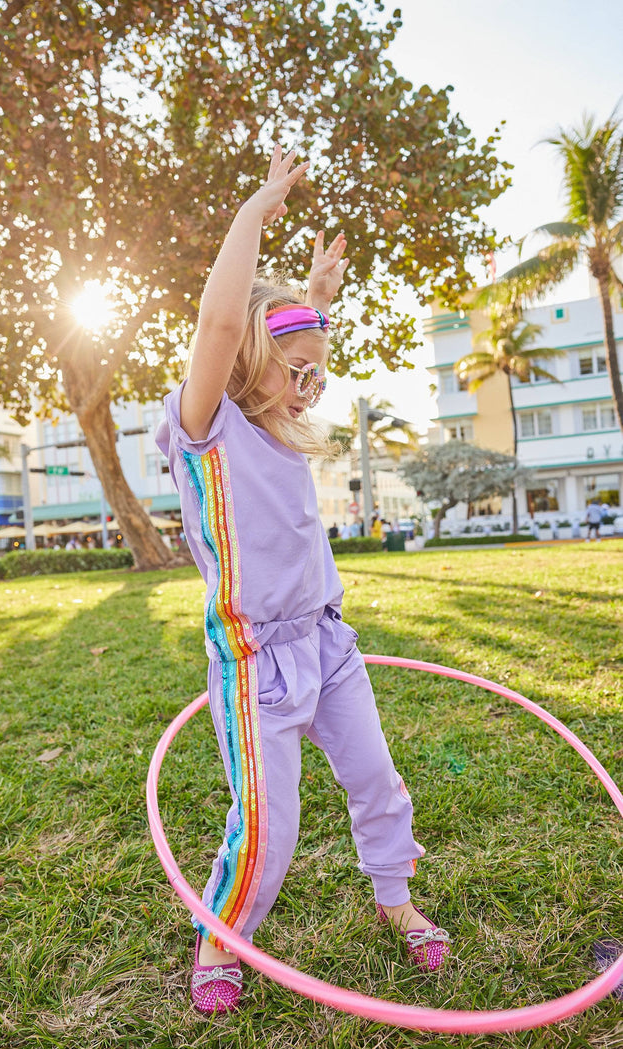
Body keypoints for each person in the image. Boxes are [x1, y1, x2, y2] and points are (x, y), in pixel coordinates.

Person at [156, 146, 450, 1017]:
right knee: (269, 827)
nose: (310, 383)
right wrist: (256, 209)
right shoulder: (204, 425)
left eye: (315, 366)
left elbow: (277, 344)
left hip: (327, 641)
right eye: (297, 368)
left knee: (379, 780)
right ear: (247, 358)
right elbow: (221, 327)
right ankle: (222, 932)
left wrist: (315, 298)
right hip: (254, 660)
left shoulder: (282, 414)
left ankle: (397, 899)